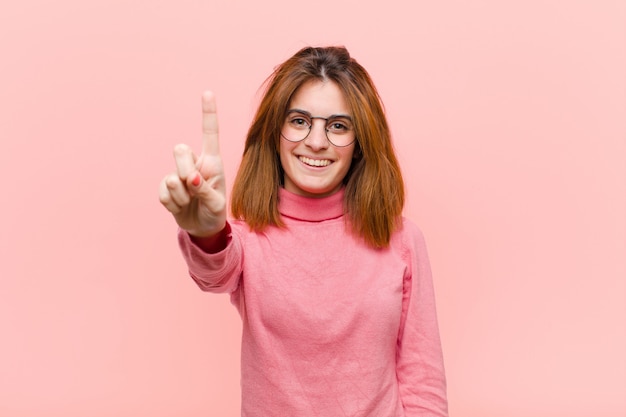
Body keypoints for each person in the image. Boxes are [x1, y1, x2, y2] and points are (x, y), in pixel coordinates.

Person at [159, 46, 448, 416]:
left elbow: (423, 384)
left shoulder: (403, 240)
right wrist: (207, 233)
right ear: (274, 132)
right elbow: (214, 273)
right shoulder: (247, 240)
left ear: (360, 144)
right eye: (299, 121)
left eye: (338, 126)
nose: (316, 141)